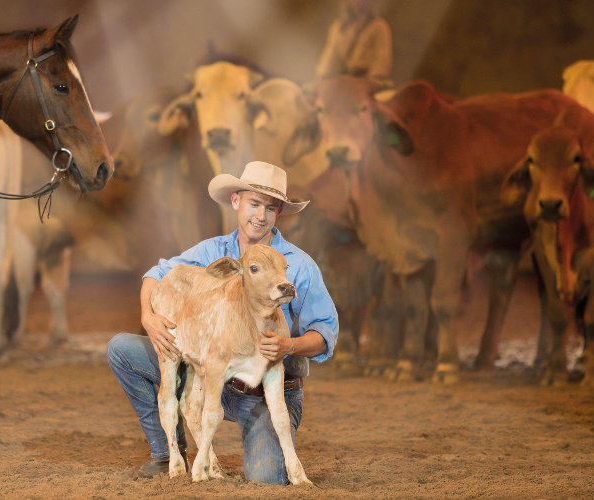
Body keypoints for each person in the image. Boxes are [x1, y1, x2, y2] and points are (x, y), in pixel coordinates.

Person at [106, 161, 339, 485]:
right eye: (254, 204)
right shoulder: (215, 253)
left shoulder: (298, 264)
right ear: (236, 202)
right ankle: (165, 453)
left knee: (268, 477)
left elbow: (326, 332)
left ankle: (265, 446)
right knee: (122, 349)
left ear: (279, 213)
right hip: (213, 371)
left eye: (270, 208)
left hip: (262, 392)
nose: (260, 215)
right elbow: (158, 273)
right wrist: (148, 316)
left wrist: (290, 346)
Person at [315, 0, 393, 86]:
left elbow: (382, 61)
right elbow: (330, 58)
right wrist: (323, 77)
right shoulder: (339, 27)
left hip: (368, 82)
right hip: (343, 80)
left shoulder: (379, 26)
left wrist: (368, 82)